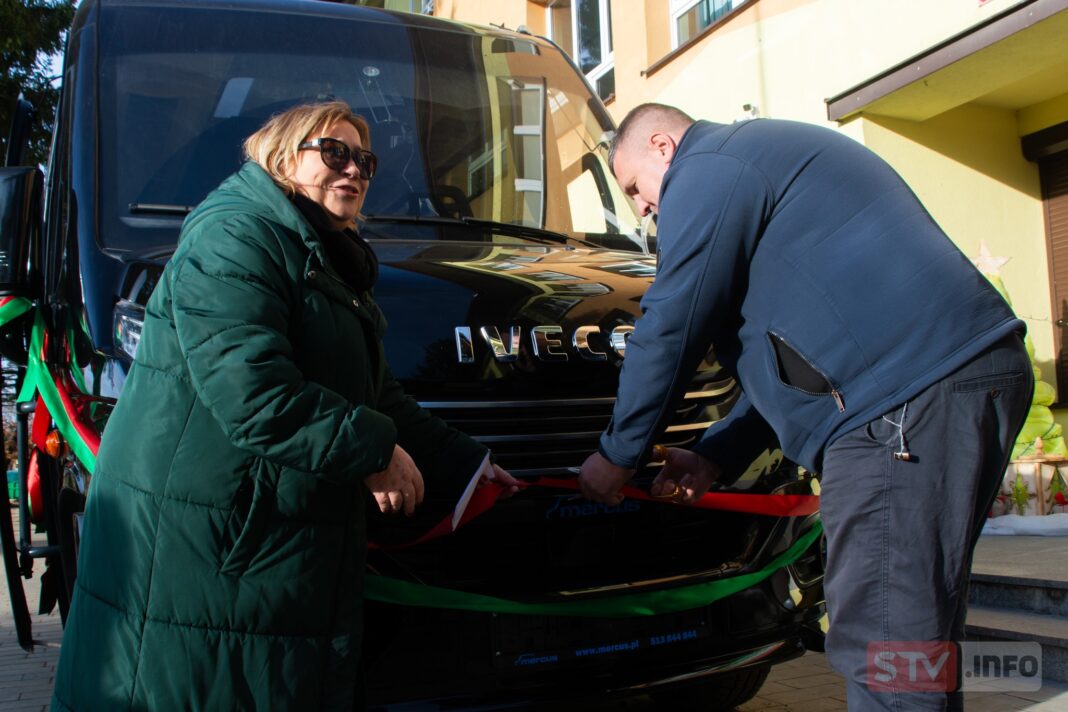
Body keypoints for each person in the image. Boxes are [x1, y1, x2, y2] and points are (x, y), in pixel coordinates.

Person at [51, 101, 518, 710]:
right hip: (209, 546)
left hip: (261, 541)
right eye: (334, 153)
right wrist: (373, 452)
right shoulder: (234, 236)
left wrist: (467, 465)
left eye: (365, 161)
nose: (354, 170)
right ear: (281, 156)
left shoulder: (319, 254)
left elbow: (375, 393)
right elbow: (253, 392)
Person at [578, 103, 1032, 711]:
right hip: (953, 377)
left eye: (635, 187)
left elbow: (671, 324)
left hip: (901, 405)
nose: (642, 209)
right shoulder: (762, 164)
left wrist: (617, 454)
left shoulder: (708, 167)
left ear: (663, 145)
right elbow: (801, 366)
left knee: (884, 641)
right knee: (915, 635)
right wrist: (716, 454)